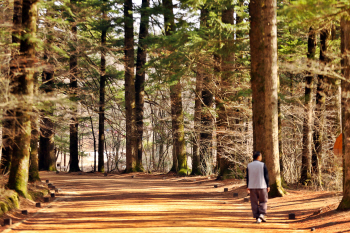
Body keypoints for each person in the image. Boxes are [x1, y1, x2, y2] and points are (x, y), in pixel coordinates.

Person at [246, 151, 270, 224]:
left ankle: (257, 217)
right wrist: (268, 185)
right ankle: (261, 215)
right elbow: (266, 176)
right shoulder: (262, 165)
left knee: (254, 202)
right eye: (261, 156)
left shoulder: (249, 165)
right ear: (259, 157)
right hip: (262, 186)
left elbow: (247, 177)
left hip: (252, 186)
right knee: (263, 201)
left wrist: (248, 186)